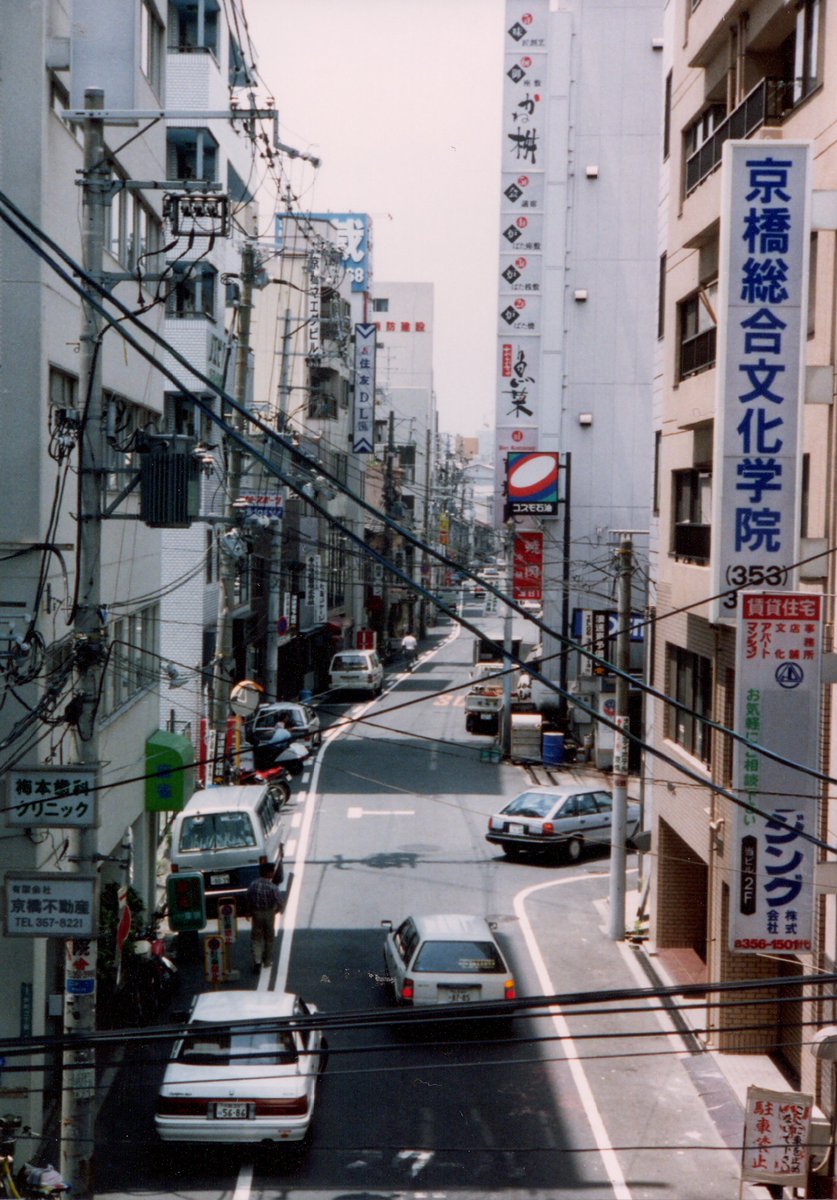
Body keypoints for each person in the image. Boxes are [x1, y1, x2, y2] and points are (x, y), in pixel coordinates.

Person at [245, 862, 283, 971]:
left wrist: (248, 911)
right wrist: (278, 910)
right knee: (269, 937)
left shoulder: (253, 884)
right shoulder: (273, 887)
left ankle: (257, 961)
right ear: (270, 873)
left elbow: (248, 898)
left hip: (256, 913)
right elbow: (279, 901)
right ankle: (267, 961)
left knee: (256, 937)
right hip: (269, 913)